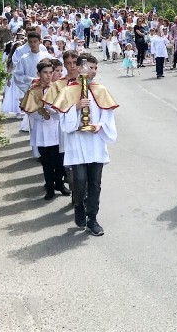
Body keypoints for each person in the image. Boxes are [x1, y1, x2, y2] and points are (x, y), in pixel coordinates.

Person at [51, 55, 119, 235]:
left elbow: (107, 114)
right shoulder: (68, 91)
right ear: (79, 69)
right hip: (77, 144)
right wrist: (76, 108)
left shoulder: (100, 89)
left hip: (96, 143)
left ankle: (93, 218)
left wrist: (100, 125)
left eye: (95, 68)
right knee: (80, 181)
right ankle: (78, 204)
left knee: (95, 183)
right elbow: (64, 123)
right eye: (89, 67)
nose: (93, 71)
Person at [20, 58, 70, 199]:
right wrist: (40, 114)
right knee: (47, 162)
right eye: (45, 72)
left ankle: (59, 184)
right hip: (41, 130)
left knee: (59, 160)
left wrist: (54, 113)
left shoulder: (58, 88)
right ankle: (49, 188)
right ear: (39, 73)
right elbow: (29, 109)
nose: (48, 75)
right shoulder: (33, 90)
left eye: (50, 72)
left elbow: (64, 107)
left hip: (57, 128)